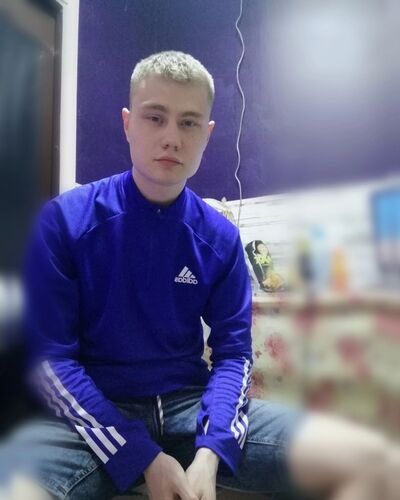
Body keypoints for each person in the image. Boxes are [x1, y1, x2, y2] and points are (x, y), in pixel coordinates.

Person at [0, 51, 398, 500]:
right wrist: (141, 456)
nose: (172, 138)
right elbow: (50, 360)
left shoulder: (220, 237)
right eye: (155, 118)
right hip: (96, 415)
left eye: (188, 123)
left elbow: (234, 354)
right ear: (128, 124)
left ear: (207, 135)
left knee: (378, 462)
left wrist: (210, 452)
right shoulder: (65, 221)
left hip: (190, 407)